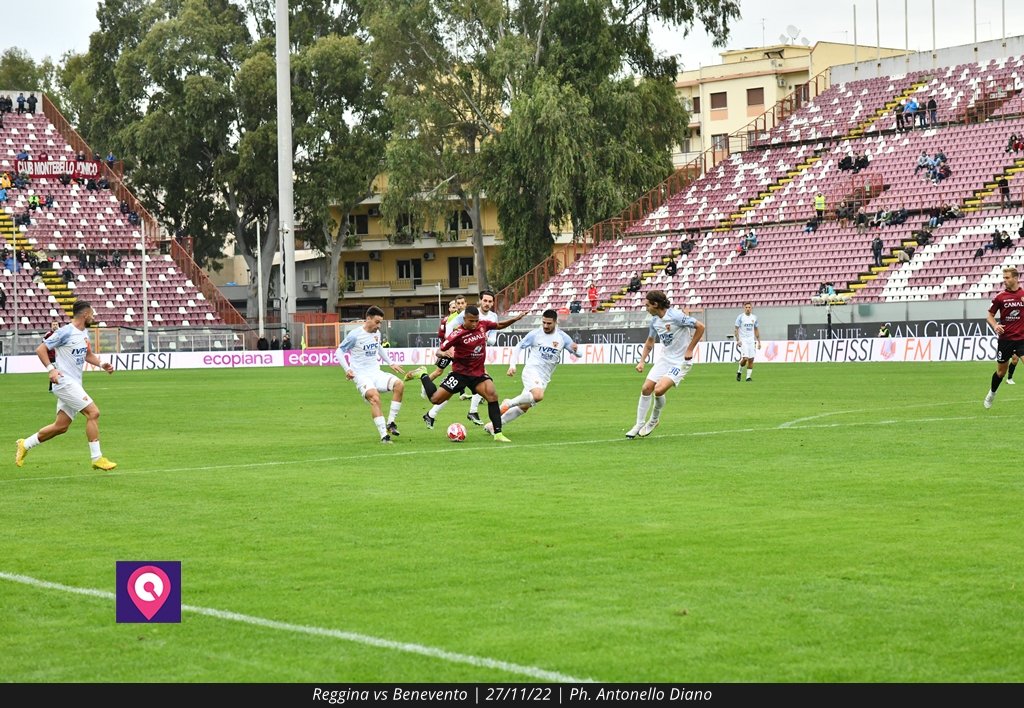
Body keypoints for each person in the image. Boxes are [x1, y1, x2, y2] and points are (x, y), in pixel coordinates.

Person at [15, 300, 117, 471]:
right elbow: (41, 349)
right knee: (93, 412)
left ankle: (25, 444)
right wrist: (51, 369)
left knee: (61, 426)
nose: (93, 316)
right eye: (91, 313)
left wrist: (102, 364)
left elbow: (88, 354)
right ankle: (97, 458)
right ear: (85, 315)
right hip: (64, 382)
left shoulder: (83, 333)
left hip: (74, 383)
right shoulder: (65, 332)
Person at [415, 305, 526, 442]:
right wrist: (445, 353)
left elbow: (500, 325)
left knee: (492, 395)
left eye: (476, 320)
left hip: (478, 374)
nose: (474, 324)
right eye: (471, 321)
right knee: (435, 399)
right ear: (464, 319)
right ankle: (423, 374)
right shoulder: (457, 334)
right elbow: (439, 351)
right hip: (459, 374)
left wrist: (516, 318)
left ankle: (498, 433)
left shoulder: (482, 325)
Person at [484, 309, 581, 434]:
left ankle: (493, 425)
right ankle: (509, 402)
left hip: (545, 377)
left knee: (525, 406)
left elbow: (578, 354)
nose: (545, 326)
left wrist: (576, 350)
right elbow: (519, 346)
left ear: (555, 322)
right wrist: (512, 365)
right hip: (531, 370)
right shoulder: (535, 334)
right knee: (538, 395)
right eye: (544, 322)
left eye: (549, 323)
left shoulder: (562, 337)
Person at [626, 290, 705, 439]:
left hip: (681, 361)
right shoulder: (655, 321)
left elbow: (700, 327)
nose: (646, 308)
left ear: (655, 304)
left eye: (647, 305)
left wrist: (689, 349)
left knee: (659, 390)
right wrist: (642, 361)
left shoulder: (675, 316)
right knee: (646, 388)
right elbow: (650, 342)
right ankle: (638, 423)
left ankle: (654, 420)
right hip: (665, 359)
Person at [337, 306, 412, 443]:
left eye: (380, 323)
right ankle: (384, 435)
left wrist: (391, 363)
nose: (379, 326)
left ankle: (391, 423)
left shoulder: (376, 333)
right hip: (361, 375)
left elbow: (378, 347)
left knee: (399, 384)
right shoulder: (355, 335)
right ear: (368, 319)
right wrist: (348, 369)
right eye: (377, 322)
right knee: (375, 398)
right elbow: (339, 351)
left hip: (376, 373)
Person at [457, 290, 500, 425]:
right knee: (452, 386)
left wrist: (485, 337)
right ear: (480, 300)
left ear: (493, 303)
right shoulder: (471, 313)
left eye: (490, 301)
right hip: (463, 356)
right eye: (485, 300)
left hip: (477, 357)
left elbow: (493, 340)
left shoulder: (493, 317)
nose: (487, 303)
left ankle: (473, 412)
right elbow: (454, 327)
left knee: (478, 385)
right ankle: (432, 413)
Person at [984, 267, 1024, 408]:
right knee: (1001, 373)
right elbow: (989, 316)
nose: (1004, 280)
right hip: (1005, 340)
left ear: (1015, 278)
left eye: (1007, 278)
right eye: (1004, 278)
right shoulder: (1000, 297)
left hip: (1022, 339)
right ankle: (992, 393)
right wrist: (995, 326)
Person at [734, 301, 760, 382]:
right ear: (744, 308)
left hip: (751, 340)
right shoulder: (740, 317)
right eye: (746, 307)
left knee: (751, 359)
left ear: (751, 308)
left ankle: (748, 377)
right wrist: (738, 340)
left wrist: (759, 341)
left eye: (749, 307)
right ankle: (739, 372)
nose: (748, 309)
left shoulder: (754, 318)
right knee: (745, 358)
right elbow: (736, 329)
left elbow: (756, 329)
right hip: (743, 340)